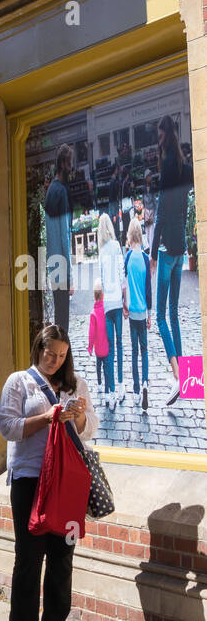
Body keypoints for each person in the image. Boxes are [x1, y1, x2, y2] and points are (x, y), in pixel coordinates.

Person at [0, 326, 98, 621]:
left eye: (61, 355)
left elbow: (90, 430)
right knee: (29, 557)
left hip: (67, 482)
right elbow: (7, 427)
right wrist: (46, 417)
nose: (55, 360)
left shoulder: (76, 385)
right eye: (50, 353)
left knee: (62, 557)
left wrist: (79, 417)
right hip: (30, 479)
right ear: (38, 349)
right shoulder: (18, 382)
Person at [150, 115, 194, 406]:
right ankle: (189, 380)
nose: (158, 139)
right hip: (181, 248)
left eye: (159, 134)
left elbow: (163, 211)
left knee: (161, 316)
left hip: (166, 249)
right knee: (176, 314)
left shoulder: (167, 165)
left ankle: (178, 375)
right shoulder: (185, 166)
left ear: (166, 134)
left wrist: (153, 252)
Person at [97, 212, 127, 405]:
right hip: (117, 301)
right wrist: (125, 300)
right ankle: (122, 383)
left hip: (107, 304)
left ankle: (110, 392)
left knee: (109, 349)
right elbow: (121, 272)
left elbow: (100, 280)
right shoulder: (116, 247)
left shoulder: (101, 252)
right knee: (119, 343)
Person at [44, 145, 74, 333]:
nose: (71, 168)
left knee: (58, 318)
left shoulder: (49, 192)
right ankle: (63, 361)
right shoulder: (61, 191)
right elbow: (64, 235)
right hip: (62, 265)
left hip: (53, 264)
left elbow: (49, 234)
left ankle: (60, 359)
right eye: (70, 163)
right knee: (64, 323)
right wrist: (70, 275)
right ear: (63, 163)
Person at [124, 217, 152, 410]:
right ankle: (144, 383)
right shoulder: (145, 258)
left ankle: (135, 391)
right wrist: (149, 313)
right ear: (140, 234)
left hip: (132, 312)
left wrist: (125, 306)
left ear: (129, 235)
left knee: (134, 352)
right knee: (144, 350)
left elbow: (124, 286)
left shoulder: (127, 258)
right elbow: (149, 289)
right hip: (143, 312)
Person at [88, 279, 111, 405]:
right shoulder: (106, 311)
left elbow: (91, 333)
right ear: (103, 294)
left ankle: (99, 384)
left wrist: (90, 347)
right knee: (107, 370)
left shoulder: (93, 313)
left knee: (98, 366)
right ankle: (107, 393)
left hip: (98, 348)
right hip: (106, 346)